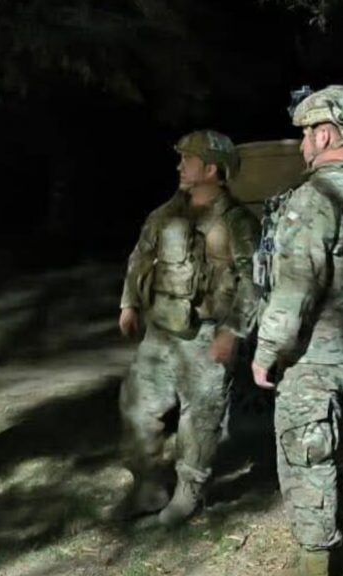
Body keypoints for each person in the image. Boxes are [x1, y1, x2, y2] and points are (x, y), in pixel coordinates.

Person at [251, 85, 343, 575]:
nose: (302, 144)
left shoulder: (317, 198)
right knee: (332, 453)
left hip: (312, 359)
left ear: (327, 132)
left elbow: (295, 289)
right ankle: (337, 555)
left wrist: (266, 351)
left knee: (308, 463)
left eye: (307, 133)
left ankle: (318, 568)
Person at [117, 130, 261, 526]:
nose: (180, 166)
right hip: (160, 333)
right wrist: (129, 303)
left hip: (205, 337)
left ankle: (187, 499)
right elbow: (140, 257)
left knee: (199, 422)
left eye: (188, 159)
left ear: (211, 168)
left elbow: (255, 281)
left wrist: (232, 331)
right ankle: (149, 489)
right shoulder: (165, 215)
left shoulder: (238, 223)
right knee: (136, 410)